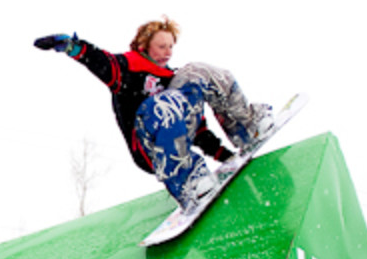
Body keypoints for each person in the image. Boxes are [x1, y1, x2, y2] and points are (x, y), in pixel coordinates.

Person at [34, 17, 274, 211]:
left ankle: (246, 126)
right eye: (162, 46)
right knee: (161, 104)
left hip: (177, 130)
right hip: (150, 146)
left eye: (171, 46)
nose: (168, 52)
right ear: (144, 45)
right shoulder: (128, 70)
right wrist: (73, 47)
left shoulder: (174, 80)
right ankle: (186, 182)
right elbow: (102, 62)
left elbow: (197, 129)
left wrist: (227, 157)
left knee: (197, 72)